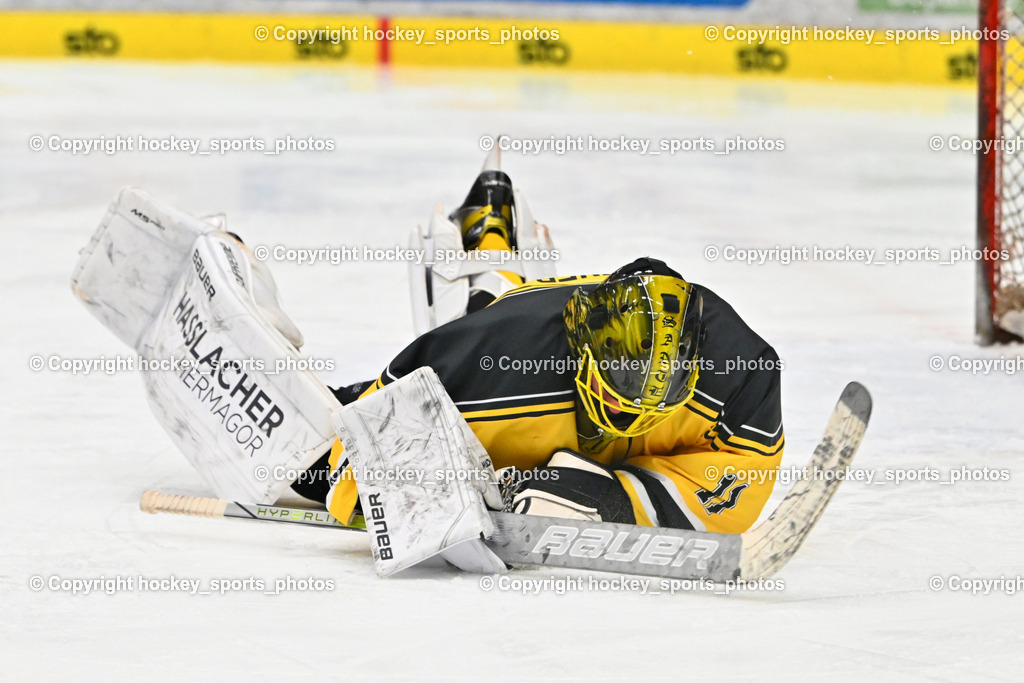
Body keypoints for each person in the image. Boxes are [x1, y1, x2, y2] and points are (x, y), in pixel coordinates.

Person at [309, 162, 785, 536]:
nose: (629, 415)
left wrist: (605, 495)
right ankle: (486, 237)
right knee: (305, 459)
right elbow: (350, 465)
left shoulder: (741, 376)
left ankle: (494, 242)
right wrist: (449, 490)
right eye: (617, 389)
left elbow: (742, 477)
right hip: (504, 336)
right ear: (581, 340)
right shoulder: (490, 358)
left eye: (652, 407)